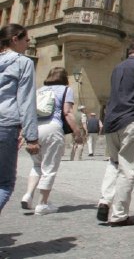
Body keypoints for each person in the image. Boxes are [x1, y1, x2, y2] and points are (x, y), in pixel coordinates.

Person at [96, 39, 134, 227]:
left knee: (114, 162)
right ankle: (119, 214)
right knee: (128, 168)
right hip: (132, 118)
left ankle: (104, 200)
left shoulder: (118, 67)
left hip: (112, 120)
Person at [21, 67, 82, 214]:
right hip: (52, 129)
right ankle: (42, 204)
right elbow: (67, 112)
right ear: (64, 78)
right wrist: (77, 132)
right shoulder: (66, 90)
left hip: (35, 129)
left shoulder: (39, 90)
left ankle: (28, 195)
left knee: (36, 165)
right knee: (49, 168)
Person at [0, 24, 40, 214]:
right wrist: (32, 137)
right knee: (4, 184)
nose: (29, 42)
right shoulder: (23, 62)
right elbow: (26, 101)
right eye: (26, 39)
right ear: (14, 39)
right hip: (5, 125)